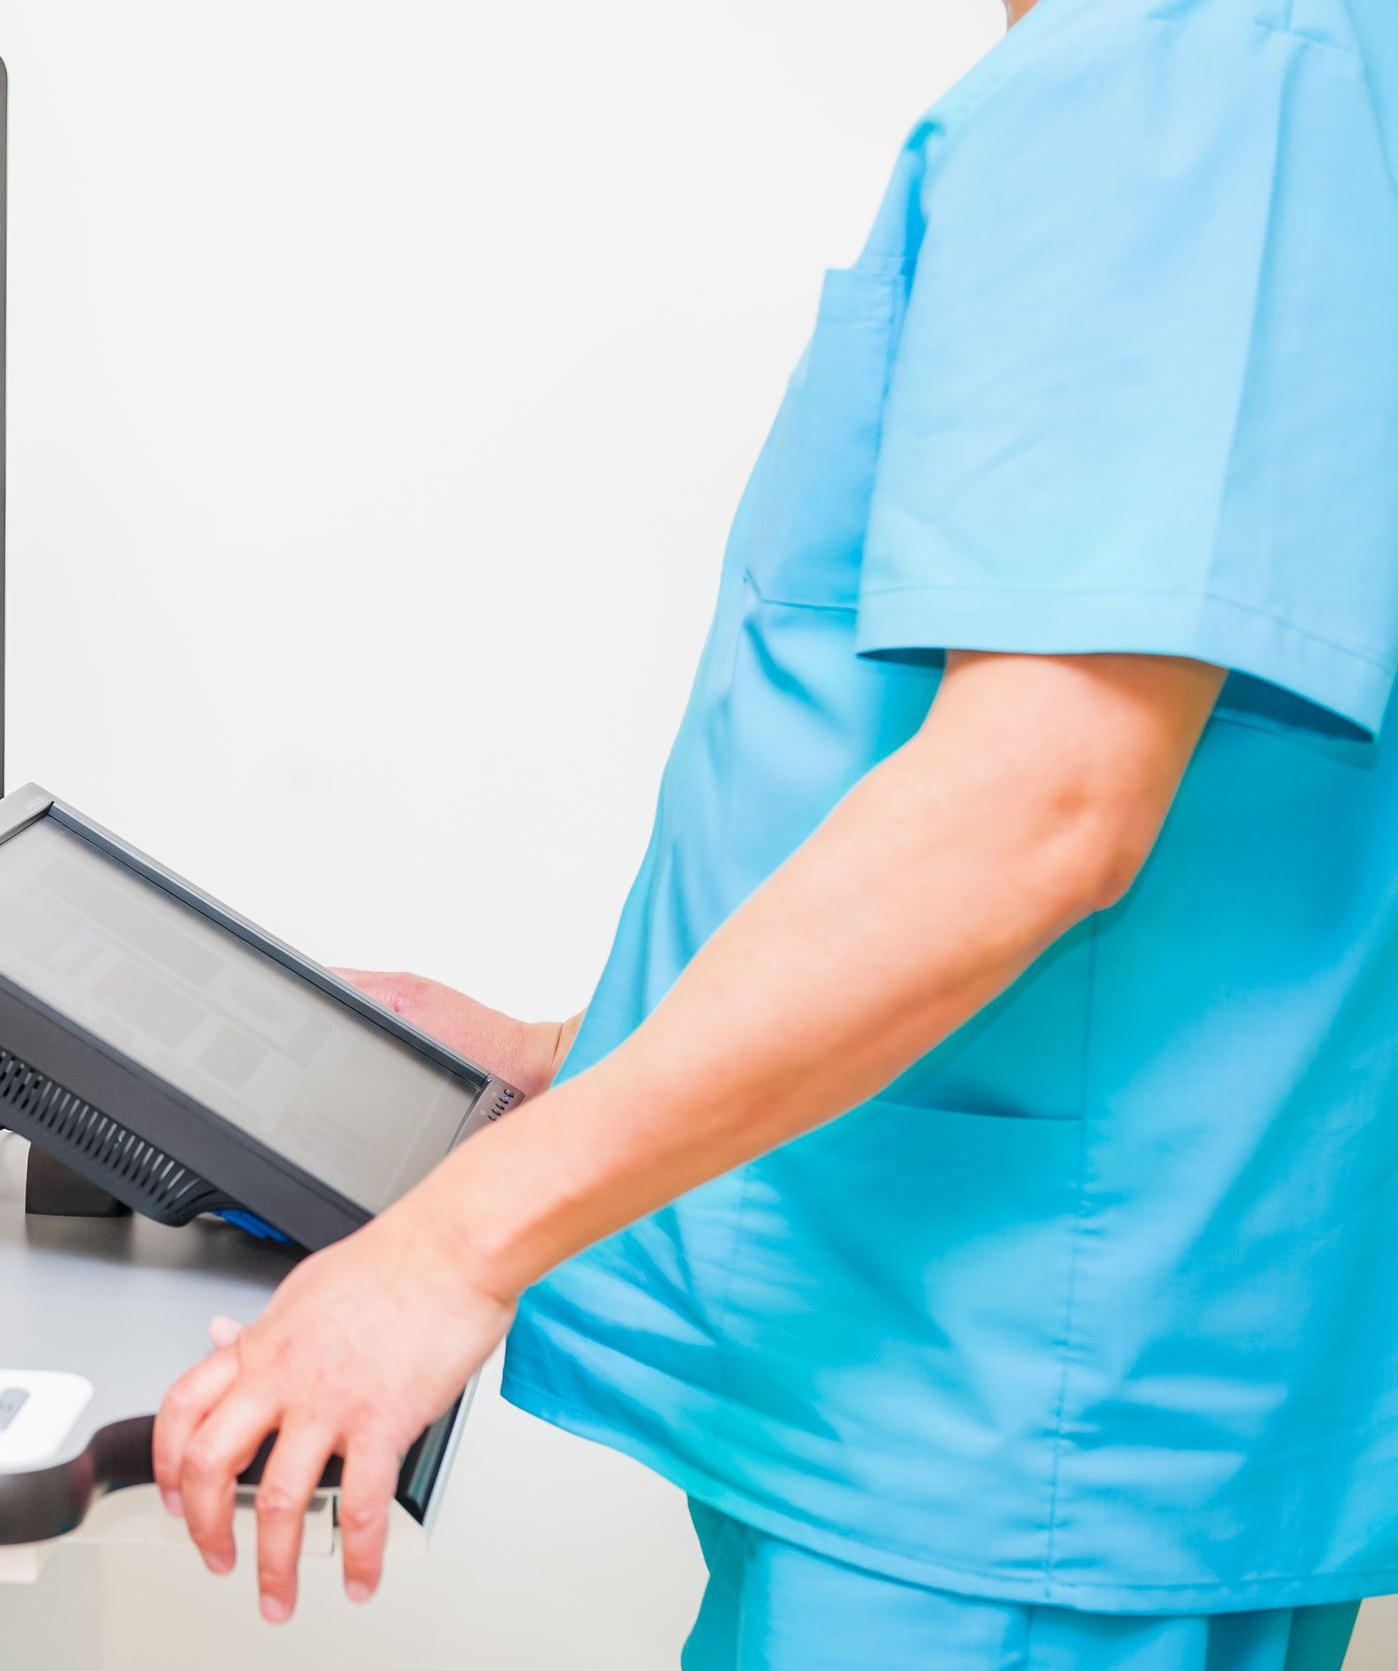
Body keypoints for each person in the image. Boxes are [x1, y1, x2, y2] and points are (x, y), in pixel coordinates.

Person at [151, 0, 1398, 1664]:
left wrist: (455, 1246)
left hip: (1008, 1421)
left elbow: (1042, 804)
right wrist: (567, 1051)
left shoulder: (1179, 67)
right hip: (965, 1386)